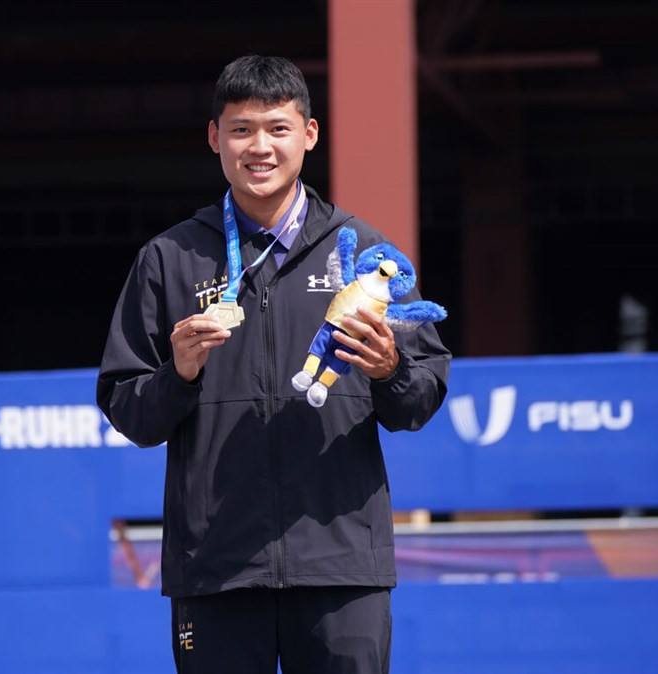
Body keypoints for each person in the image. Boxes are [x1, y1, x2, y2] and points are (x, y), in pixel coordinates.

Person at [97, 55, 450, 674]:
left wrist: (389, 367)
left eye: (277, 128)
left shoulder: (364, 252)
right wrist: (176, 374)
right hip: (217, 569)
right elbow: (128, 408)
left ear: (309, 136)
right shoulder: (170, 258)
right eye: (240, 130)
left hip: (341, 567)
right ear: (215, 139)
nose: (259, 147)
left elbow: (421, 398)